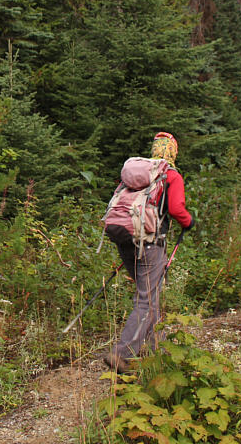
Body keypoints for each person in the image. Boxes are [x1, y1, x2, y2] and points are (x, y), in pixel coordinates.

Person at [101, 132, 194, 373]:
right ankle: (121, 354)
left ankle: (157, 350)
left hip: (125, 239)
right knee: (148, 300)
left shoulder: (136, 174)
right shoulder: (170, 175)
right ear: (173, 151)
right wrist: (188, 222)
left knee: (149, 296)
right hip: (150, 242)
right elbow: (176, 208)